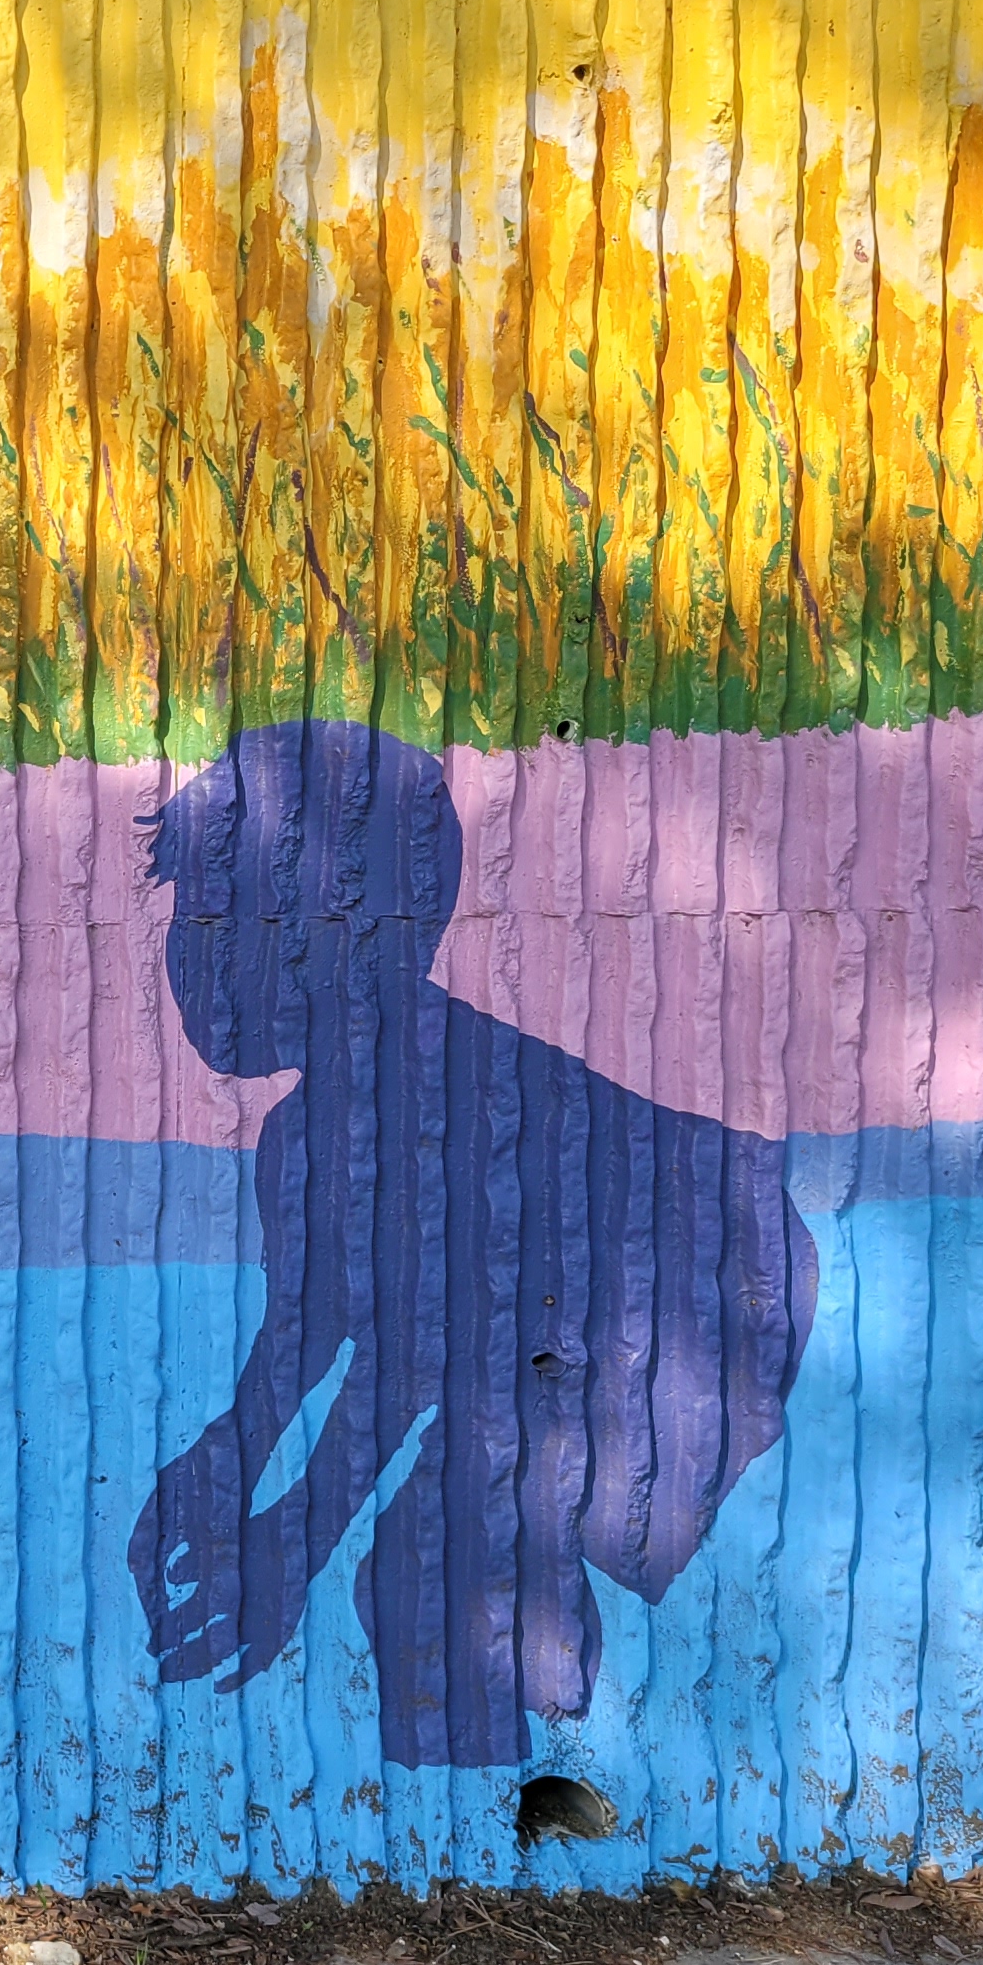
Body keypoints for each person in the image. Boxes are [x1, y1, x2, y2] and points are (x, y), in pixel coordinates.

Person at [126, 720, 816, 1767]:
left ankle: (521, 1796)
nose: (188, 956)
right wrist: (223, 1459)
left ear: (345, 936)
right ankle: (493, 1787)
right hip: (577, 1307)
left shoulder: (431, 1095)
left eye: (225, 923)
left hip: (715, 1279)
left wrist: (292, 1539)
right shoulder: (303, 1134)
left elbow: (417, 1360)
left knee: (442, 1561)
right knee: (442, 1543)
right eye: (188, 917)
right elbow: (315, 1328)